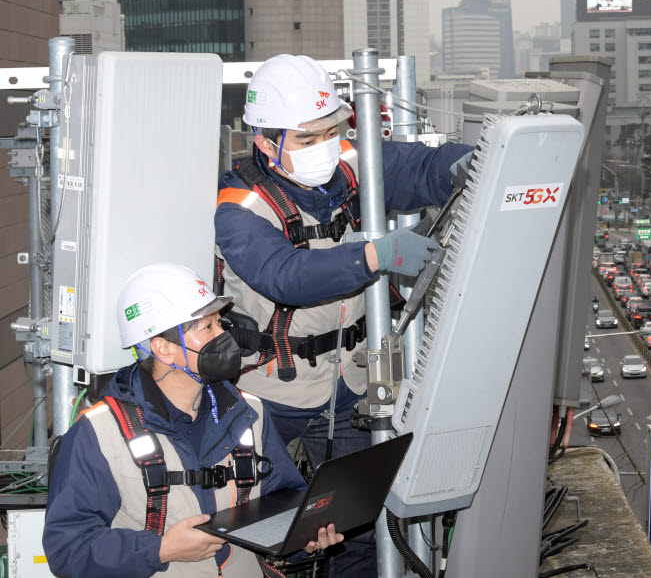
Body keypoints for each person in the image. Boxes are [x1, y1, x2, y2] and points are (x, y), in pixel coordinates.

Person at [214, 54, 474, 577]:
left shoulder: (353, 164)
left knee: (351, 526)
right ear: (267, 142)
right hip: (271, 392)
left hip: (349, 381)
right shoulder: (238, 207)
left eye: (333, 129)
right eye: (309, 138)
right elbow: (284, 274)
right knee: (269, 527)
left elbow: (419, 167)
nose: (326, 146)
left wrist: (472, 162)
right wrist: (375, 255)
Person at [43, 263, 342, 577]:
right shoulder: (99, 434)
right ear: (165, 349)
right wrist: (161, 550)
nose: (224, 336)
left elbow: (283, 502)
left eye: (220, 324)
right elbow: (68, 549)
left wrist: (305, 536)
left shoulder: (248, 413)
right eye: (207, 328)